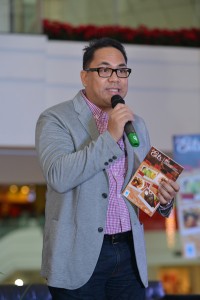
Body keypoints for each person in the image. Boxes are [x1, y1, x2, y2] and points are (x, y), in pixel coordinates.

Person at [35, 37, 180, 300]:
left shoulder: (137, 124)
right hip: (78, 256)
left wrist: (164, 199)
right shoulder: (55, 119)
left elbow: (142, 188)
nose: (115, 78)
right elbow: (58, 176)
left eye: (122, 70)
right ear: (84, 76)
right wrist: (110, 135)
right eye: (104, 70)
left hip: (128, 254)